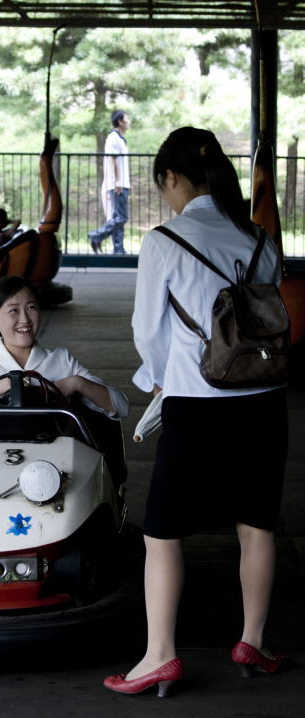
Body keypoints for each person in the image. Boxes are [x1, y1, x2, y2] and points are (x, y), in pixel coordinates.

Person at [103, 127, 287, 698]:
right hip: (263, 402)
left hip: (195, 404)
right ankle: (251, 640)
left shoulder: (164, 242)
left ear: (172, 178)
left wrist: (161, 379)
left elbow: (145, 332)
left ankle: (160, 655)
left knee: (163, 534)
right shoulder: (260, 240)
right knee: (257, 527)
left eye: (163, 186)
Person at [0, 275, 129, 435]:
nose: (25, 319)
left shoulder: (61, 360)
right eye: (14, 310)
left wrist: (76, 383)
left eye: (31, 307)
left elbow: (121, 408)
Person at [88, 110, 131, 255]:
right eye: (127, 118)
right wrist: (118, 180)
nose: (129, 121)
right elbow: (112, 159)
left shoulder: (120, 139)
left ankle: (118, 249)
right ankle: (96, 235)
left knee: (118, 217)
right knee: (121, 217)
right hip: (117, 184)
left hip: (122, 183)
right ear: (120, 121)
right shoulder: (113, 137)